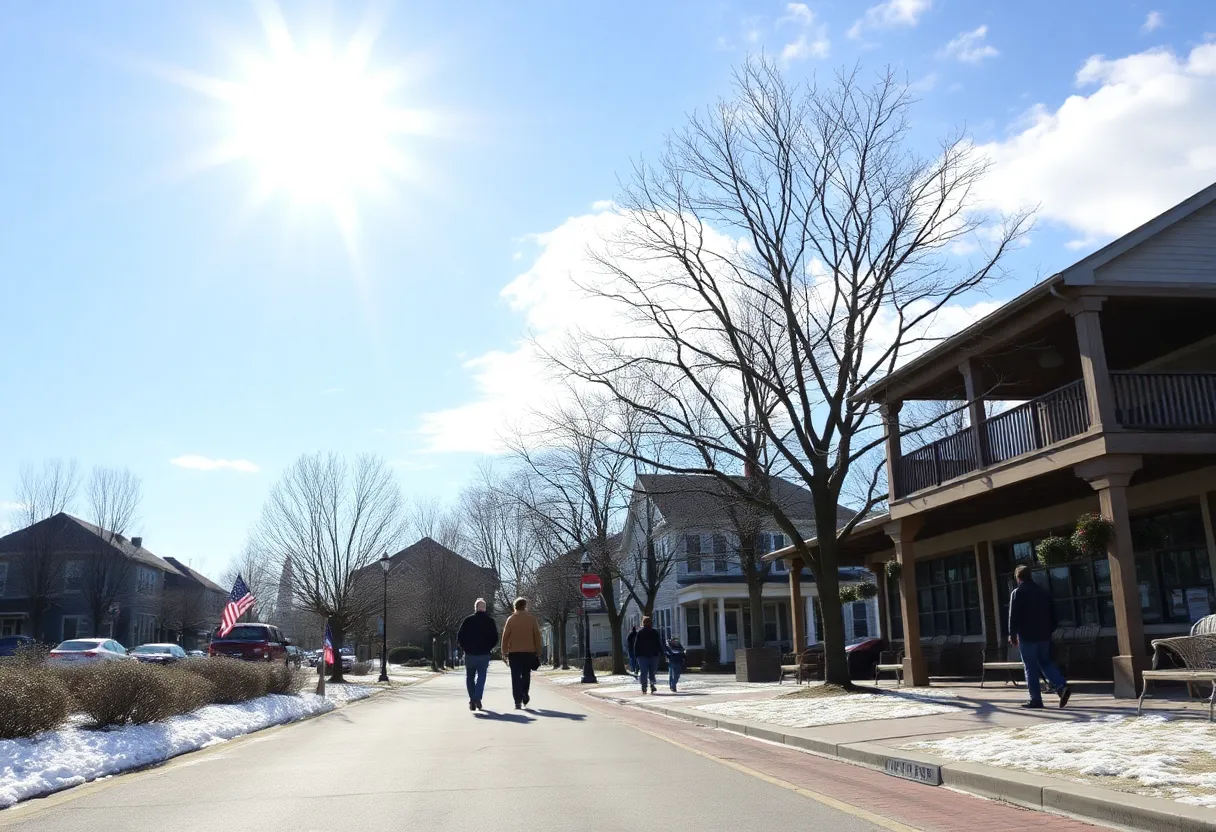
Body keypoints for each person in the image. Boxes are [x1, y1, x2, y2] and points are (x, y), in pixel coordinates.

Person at [1009, 564, 1071, 709]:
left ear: (1018, 578)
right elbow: (1054, 613)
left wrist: (1012, 635)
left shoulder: (1017, 593)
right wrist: (1050, 630)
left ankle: (1036, 699)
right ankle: (1061, 686)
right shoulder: (1043, 592)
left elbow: (1013, 617)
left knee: (1030, 667)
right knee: (1045, 662)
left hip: (1026, 635)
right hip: (1044, 635)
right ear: (1030, 576)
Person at [501, 596, 543, 709]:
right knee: (526, 674)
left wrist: (504, 652)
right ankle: (525, 693)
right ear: (525, 606)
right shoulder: (532, 619)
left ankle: (517, 700)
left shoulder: (511, 619)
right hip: (529, 652)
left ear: (515, 607)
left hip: (514, 653)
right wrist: (538, 650)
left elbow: (505, 637)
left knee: (515, 676)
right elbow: (537, 636)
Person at [457, 598, 498, 711]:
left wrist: (465, 648)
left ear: (475, 608)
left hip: (470, 654)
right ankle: (476, 697)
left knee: (470, 677)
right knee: (481, 676)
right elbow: (495, 638)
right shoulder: (490, 621)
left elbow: (460, 636)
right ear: (484, 608)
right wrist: (488, 648)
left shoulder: (468, 620)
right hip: (483, 654)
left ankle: (472, 699)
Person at [633, 616, 663, 694]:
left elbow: (658, 643)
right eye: (646, 622)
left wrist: (636, 655)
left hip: (646, 655)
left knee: (646, 671)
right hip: (648, 655)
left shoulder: (650, 632)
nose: (647, 623)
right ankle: (648, 685)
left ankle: (647, 685)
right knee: (649, 671)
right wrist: (660, 652)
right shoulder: (645, 632)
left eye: (648, 622)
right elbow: (658, 643)